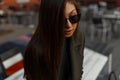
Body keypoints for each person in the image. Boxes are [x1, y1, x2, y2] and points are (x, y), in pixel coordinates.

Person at [23, 0, 85, 80]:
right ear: (48, 20)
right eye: (60, 20)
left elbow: (78, 71)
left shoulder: (79, 37)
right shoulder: (35, 51)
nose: (69, 25)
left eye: (73, 17)